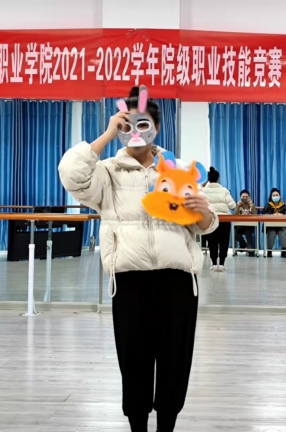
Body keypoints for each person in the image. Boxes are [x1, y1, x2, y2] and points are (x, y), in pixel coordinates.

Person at [58, 86, 218, 432]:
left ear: (157, 128)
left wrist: (205, 213)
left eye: (143, 124)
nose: (134, 132)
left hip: (178, 280)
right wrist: (105, 135)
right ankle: (137, 427)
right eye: (125, 125)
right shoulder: (107, 172)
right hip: (130, 280)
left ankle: (167, 426)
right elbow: (71, 174)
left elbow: (205, 226)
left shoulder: (176, 169)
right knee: (134, 360)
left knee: (175, 359)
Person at [202, 167, 236, 271]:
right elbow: (233, 205)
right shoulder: (224, 190)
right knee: (224, 241)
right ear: (218, 179)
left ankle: (213, 263)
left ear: (208, 179)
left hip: (211, 219)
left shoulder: (203, 191)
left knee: (212, 241)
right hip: (224, 220)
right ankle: (221, 263)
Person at [261, 188, 286, 258]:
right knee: (272, 233)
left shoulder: (283, 205)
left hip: (281, 226)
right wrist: (272, 215)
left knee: (282, 233)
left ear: (280, 196)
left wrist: (284, 215)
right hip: (270, 226)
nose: (275, 196)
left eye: (277, 195)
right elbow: (263, 215)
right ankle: (269, 251)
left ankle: (283, 251)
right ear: (271, 197)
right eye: (273, 195)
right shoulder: (268, 205)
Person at [234, 189, 257, 257]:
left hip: (249, 225)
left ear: (249, 197)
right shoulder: (238, 204)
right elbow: (235, 215)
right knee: (236, 234)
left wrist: (252, 205)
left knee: (248, 234)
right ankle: (243, 244)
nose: (244, 198)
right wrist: (238, 206)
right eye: (243, 197)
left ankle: (251, 251)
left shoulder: (251, 205)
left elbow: (255, 215)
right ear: (240, 197)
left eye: (246, 197)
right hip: (240, 226)